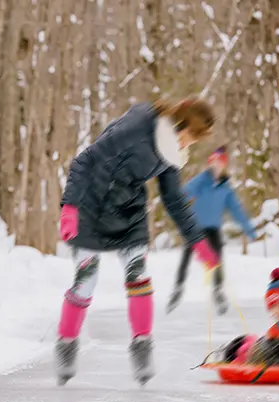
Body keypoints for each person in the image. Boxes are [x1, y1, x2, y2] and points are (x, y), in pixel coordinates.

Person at [55, 98, 222, 386]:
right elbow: (86, 160)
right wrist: (70, 207)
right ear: (181, 125)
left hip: (129, 210)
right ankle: (67, 344)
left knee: (139, 276)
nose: (190, 145)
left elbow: (173, 199)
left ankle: (142, 344)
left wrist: (198, 241)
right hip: (92, 205)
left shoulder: (172, 150)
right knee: (86, 280)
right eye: (191, 137)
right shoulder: (138, 127)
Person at [166, 146, 257, 315]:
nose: (216, 165)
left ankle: (218, 291)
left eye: (219, 163)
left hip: (213, 229)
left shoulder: (226, 189)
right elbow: (186, 191)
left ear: (223, 165)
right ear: (210, 163)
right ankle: (178, 288)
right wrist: (178, 199)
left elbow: (236, 210)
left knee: (217, 260)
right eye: (213, 162)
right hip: (195, 227)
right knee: (185, 258)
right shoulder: (202, 180)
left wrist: (248, 229)